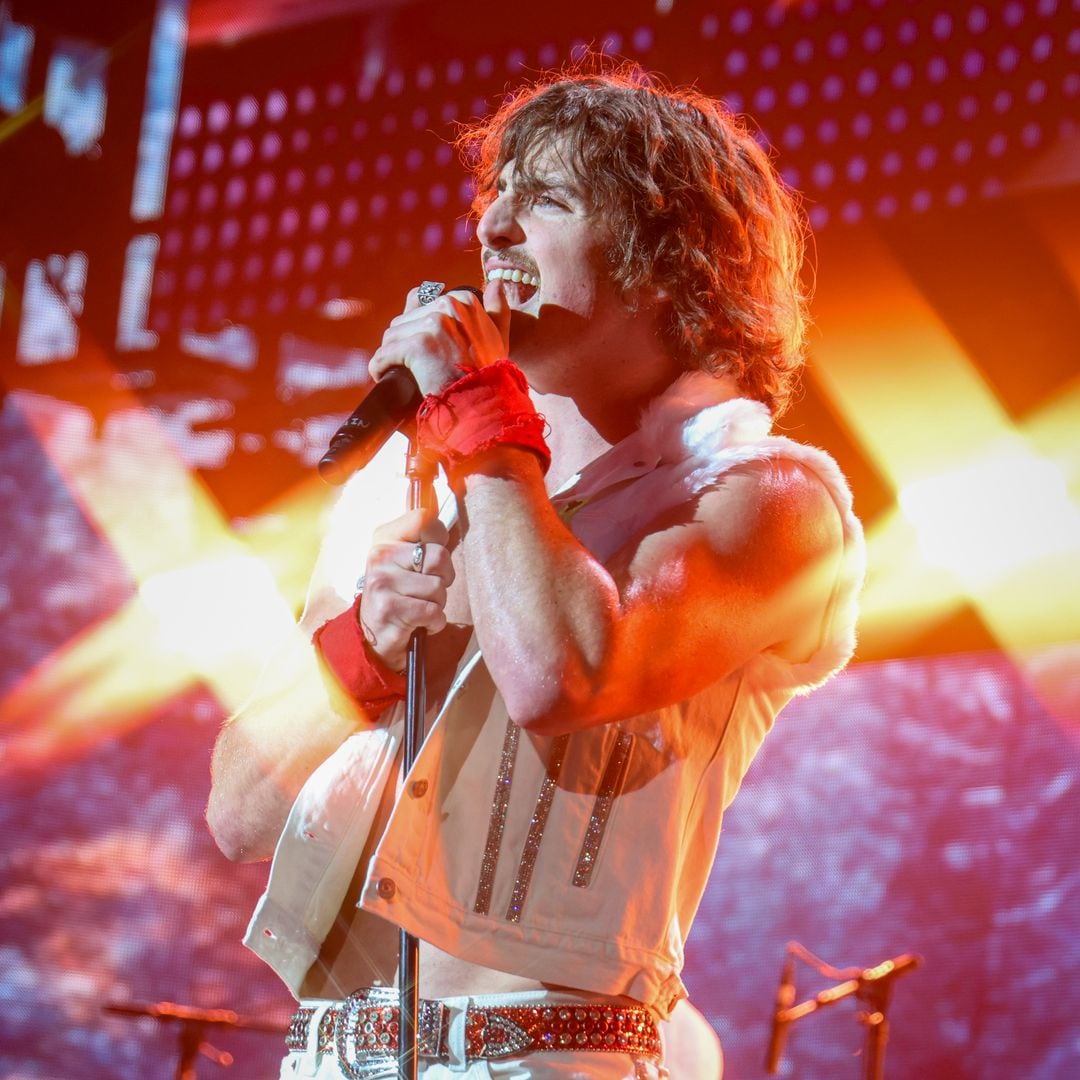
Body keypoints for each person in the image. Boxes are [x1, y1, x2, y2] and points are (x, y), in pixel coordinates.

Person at [207, 65, 864, 1079]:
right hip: (325, 1057)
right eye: (492, 195)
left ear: (669, 260)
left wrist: (485, 423)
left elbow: (565, 676)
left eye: (547, 199)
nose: (494, 228)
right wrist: (367, 649)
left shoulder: (764, 498)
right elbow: (239, 814)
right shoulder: (403, 481)